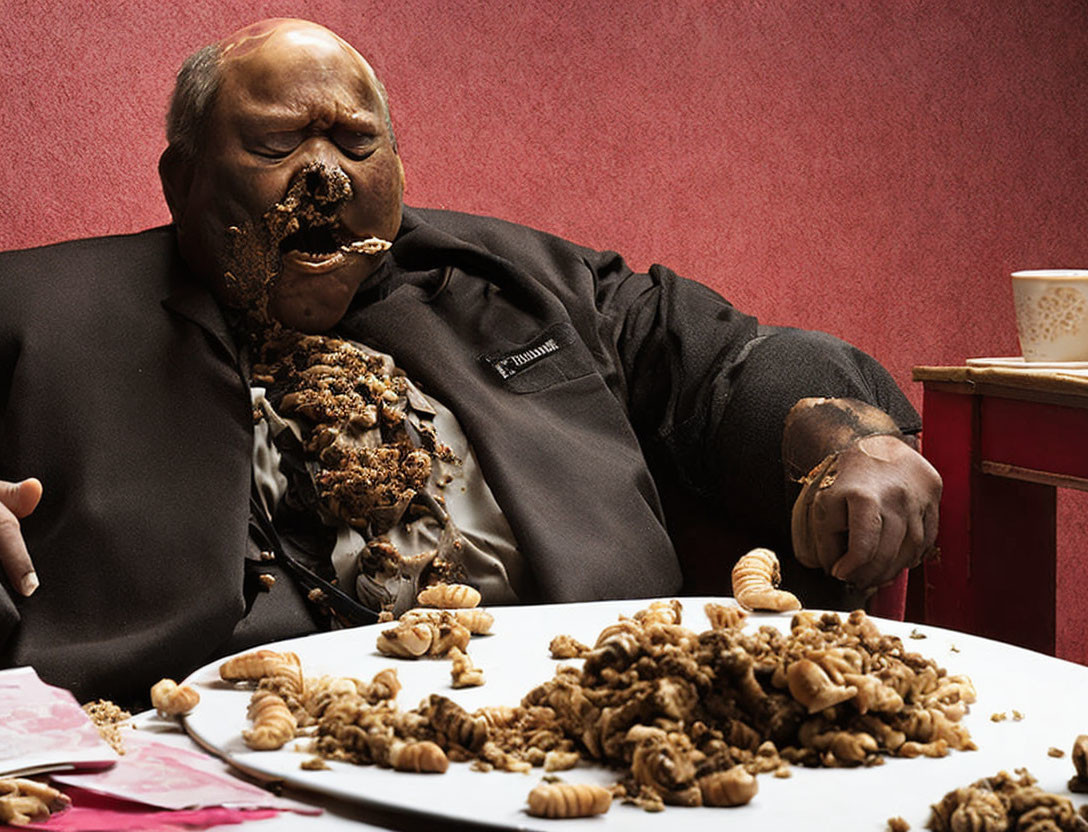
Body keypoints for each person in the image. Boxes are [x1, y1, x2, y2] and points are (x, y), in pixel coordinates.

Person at [0, 19, 940, 703]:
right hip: (202, 731)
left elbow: (719, 356)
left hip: (573, 701)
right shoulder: (43, 310)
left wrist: (850, 439)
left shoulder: (516, 279)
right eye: (277, 144)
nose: (324, 175)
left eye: (357, 143)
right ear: (182, 177)